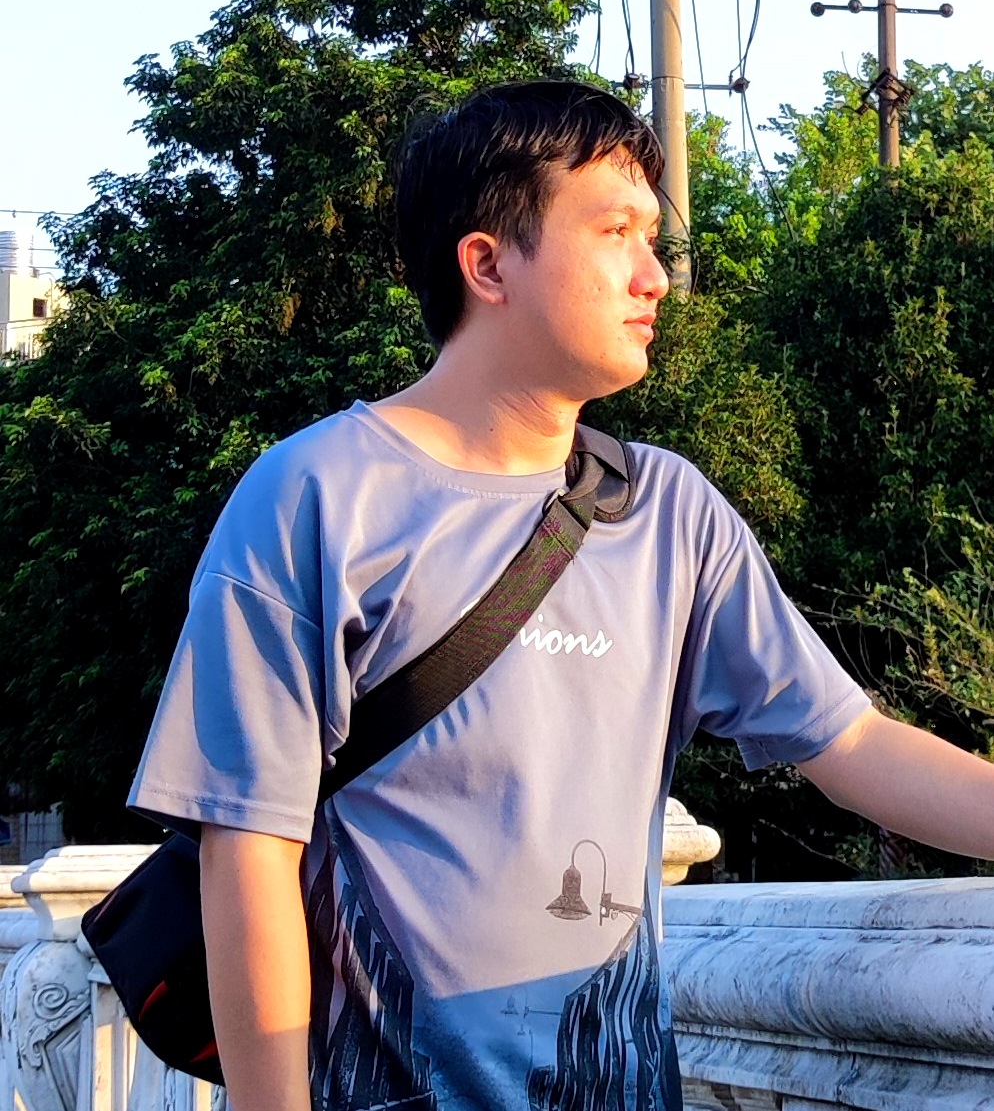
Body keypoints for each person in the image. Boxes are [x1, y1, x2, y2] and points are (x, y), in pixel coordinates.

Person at [129, 80, 994, 1111]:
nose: (655, 275)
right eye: (616, 232)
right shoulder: (316, 497)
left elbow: (850, 743)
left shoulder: (667, 513)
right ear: (488, 263)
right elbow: (249, 846)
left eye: (653, 238)